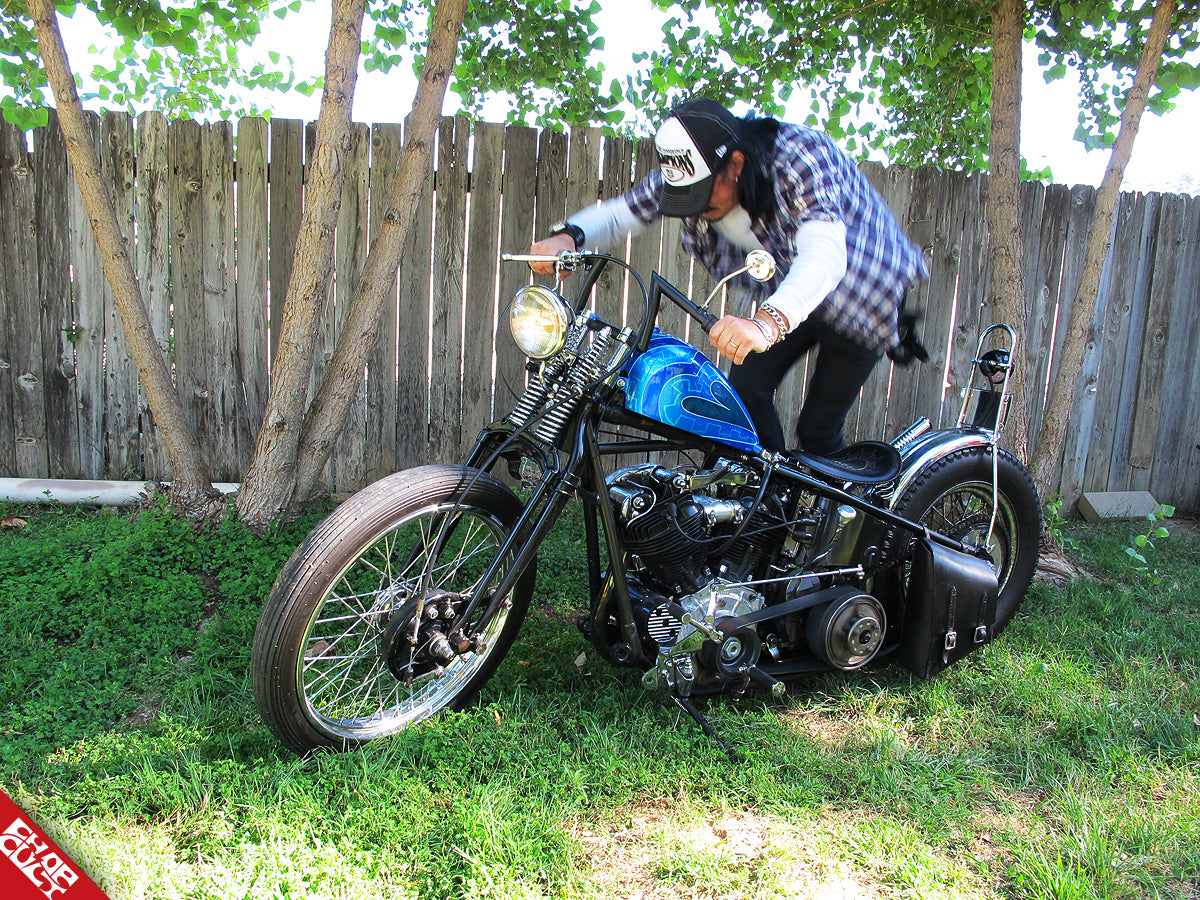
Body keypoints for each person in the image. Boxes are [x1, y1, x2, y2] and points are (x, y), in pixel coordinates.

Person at [529, 98, 927, 456]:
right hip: (792, 290)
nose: (696, 207)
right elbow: (622, 213)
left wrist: (767, 323)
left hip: (863, 298)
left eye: (705, 192)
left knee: (818, 430)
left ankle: (841, 523)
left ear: (735, 164)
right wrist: (567, 236)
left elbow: (825, 253)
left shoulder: (801, 158)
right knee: (743, 399)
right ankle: (769, 512)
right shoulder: (692, 166)